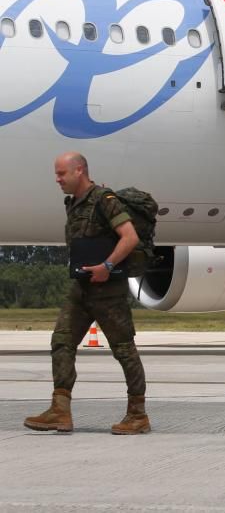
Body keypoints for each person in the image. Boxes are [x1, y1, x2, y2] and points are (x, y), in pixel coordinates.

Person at [24, 153, 150, 435]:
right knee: (61, 342)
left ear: (79, 171)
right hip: (81, 287)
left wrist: (107, 266)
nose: (57, 180)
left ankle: (138, 414)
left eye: (61, 174)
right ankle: (60, 410)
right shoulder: (74, 204)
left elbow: (130, 237)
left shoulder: (105, 200)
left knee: (124, 350)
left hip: (108, 291)